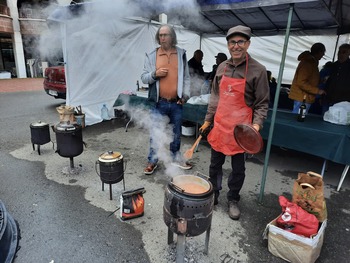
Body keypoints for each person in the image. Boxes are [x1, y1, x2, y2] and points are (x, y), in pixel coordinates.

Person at [199, 25, 269, 220]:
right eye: (232, 42)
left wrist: (256, 126)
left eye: (240, 42)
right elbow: (215, 97)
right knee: (215, 165)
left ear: (248, 44)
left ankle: (233, 199)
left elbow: (262, 103)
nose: (236, 46)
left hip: (241, 132)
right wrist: (207, 121)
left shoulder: (258, 70)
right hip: (220, 126)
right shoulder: (222, 67)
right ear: (228, 45)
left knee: (238, 169)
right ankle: (213, 195)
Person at [140, 24, 192, 175]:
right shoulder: (152, 55)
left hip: (176, 103)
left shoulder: (181, 54)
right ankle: (152, 160)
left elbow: (186, 78)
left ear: (172, 37)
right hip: (159, 103)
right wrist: (155, 74)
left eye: (166, 35)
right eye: (160, 35)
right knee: (156, 133)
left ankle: (175, 158)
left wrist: (185, 96)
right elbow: (144, 78)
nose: (162, 38)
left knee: (176, 134)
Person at [288, 43, 326, 114]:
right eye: (323, 52)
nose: (323, 55)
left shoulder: (312, 63)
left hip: (304, 97)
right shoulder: (308, 63)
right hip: (302, 97)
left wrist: (320, 80)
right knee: (298, 118)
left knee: (299, 118)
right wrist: (317, 91)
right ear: (319, 52)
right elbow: (301, 82)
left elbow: (310, 79)